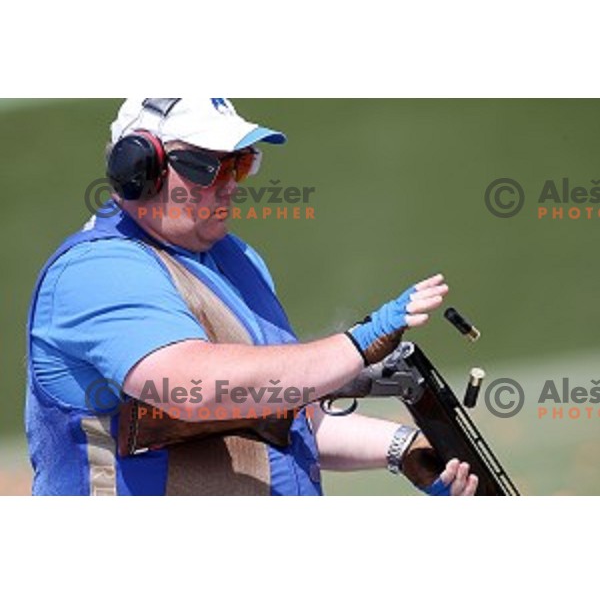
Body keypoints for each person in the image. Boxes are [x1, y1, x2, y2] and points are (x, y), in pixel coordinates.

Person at [25, 98, 479, 496]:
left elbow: (284, 413)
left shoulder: (232, 257)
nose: (229, 184)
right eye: (207, 167)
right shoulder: (97, 270)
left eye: (239, 164)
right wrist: (355, 346)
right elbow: (194, 389)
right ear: (138, 170)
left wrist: (401, 448)